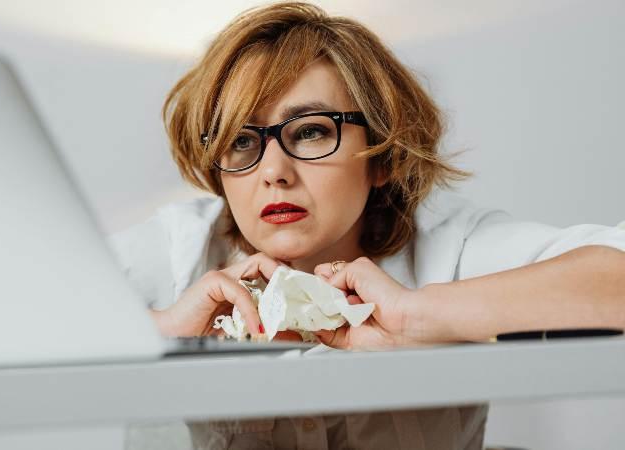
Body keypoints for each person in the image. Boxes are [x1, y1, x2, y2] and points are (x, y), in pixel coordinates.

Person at [110, 2, 625, 449]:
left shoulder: (451, 244)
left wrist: (417, 315)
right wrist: (160, 333)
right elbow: (30, 305)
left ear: (383, 156)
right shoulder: (182, 247)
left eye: (310, 131)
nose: (273, 172)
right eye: (241, 141)